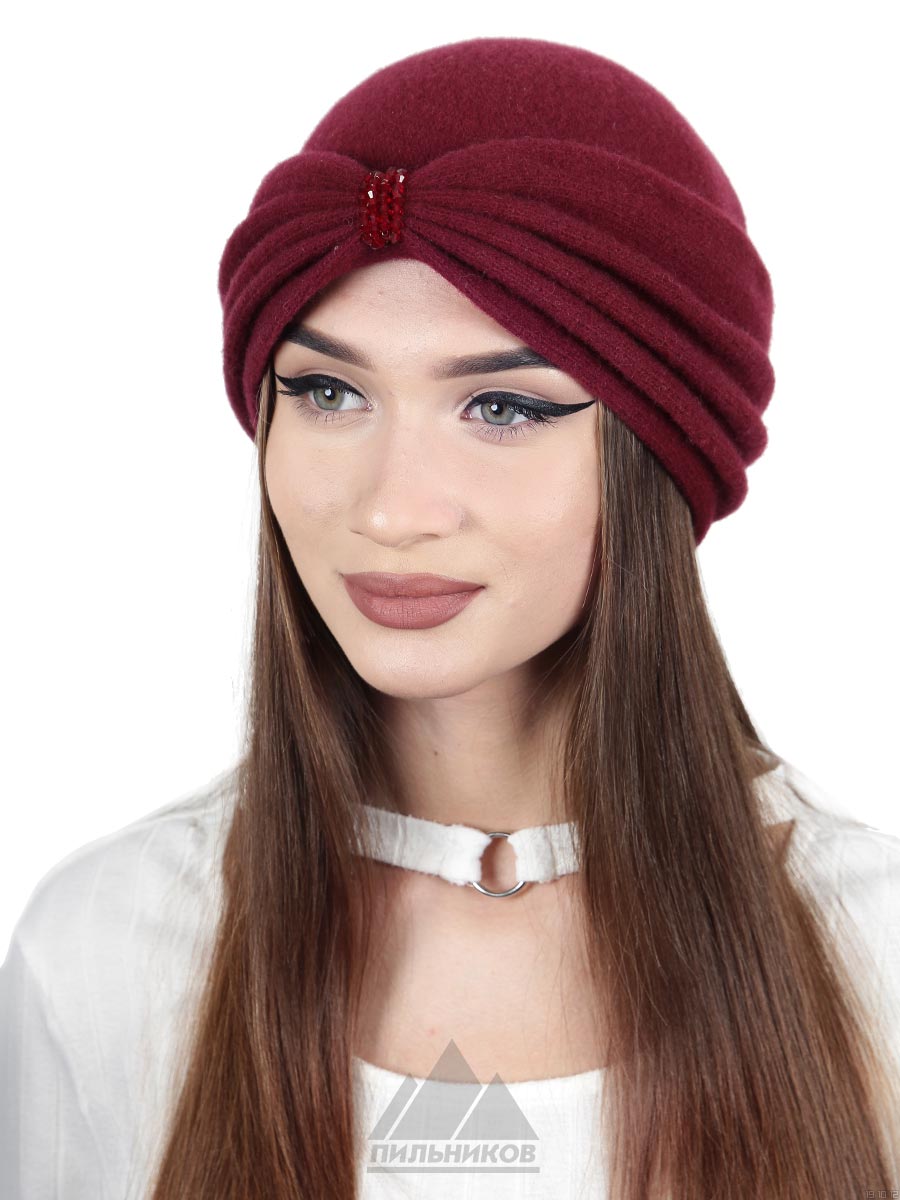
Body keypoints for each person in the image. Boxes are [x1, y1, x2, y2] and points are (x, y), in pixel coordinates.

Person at [2, 35, 899, 1200]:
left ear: (658, 452)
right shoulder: (113, 946)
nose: (391, 509)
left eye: (502, 407)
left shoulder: (874, 950)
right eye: (328, 391)